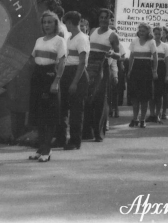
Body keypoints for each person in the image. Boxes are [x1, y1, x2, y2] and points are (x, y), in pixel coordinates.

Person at [28, 11, 66, 162]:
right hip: (38, 76)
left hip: (50, 76)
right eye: (45, 22)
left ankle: (47, 150)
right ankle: (40, 148)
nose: (47, 25)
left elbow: (62, 62)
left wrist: (56, 81)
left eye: (50, 22)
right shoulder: (39, 40)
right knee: (38, 115)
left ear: (56, 24)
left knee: (48, 116)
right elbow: (33, 58)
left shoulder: (59, 41)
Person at [84, 9, 120, 142]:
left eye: (107, 18)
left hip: (102, 68)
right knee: (88, 98)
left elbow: (120, 55)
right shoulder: (92, 31)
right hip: (89, 67)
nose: (104, 20)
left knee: (100, 99)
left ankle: (99, 133)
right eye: (102, 17)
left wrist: (112, 55)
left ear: (110, 20)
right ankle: (87, 132)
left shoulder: (112, 35)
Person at [58, 11, 89, 150]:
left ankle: (75, 141)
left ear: (70, 22)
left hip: (77, 73)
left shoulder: (82, 38)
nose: (66, 26)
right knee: (62, 108)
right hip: (67, 72)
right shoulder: (70, 38)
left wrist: (75, 82)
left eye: (67, 23)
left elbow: (82, 62)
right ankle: (61, 138)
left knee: (76, 111)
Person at [126, 23, 158, 128]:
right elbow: (131, 56)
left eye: (143, 31)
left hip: (146, 71)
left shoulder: (151, 42)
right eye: (140, 31)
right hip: (136, 70)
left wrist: (154, 71)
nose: (141, 33)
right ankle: (135, 119)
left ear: (148, 32)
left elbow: (155, 57)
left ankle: (142, 119)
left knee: (144, 97)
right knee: (135, 97)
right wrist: (129, 70)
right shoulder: (134, 41)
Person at [148, 27, 168, 123]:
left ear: (162, 35)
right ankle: (152, 114)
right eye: (155, 34)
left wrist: (167, 75)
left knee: (159, 93)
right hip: (150, 67)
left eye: (159, 34)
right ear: (153, 34)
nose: (157, 36)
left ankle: (158, 114)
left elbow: (167, 62)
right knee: (150, 92)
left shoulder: (165, 46)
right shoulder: (150, 44)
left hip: (161, 69)